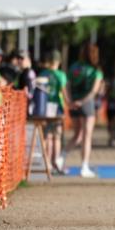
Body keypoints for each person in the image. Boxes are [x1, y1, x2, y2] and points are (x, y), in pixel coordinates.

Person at [66, 42, 104, 178]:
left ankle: (60, 158)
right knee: (87, 136)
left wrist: (70, 101)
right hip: (87, 103)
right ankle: (84, 166)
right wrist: (82, 101)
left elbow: (68, 85)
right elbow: (94, 91)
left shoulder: (74, 67)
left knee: (77, 135)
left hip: (73, 103)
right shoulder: (96, 70)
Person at [34, 50, 68, 174]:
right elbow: (63, 92)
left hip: (45, 106)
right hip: (57, 106)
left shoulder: (43, 73)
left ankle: (47, 163)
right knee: (57, 136)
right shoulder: (61, 75)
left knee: (47, 135)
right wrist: (70, 103)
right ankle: (56, 163)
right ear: (59, 61)